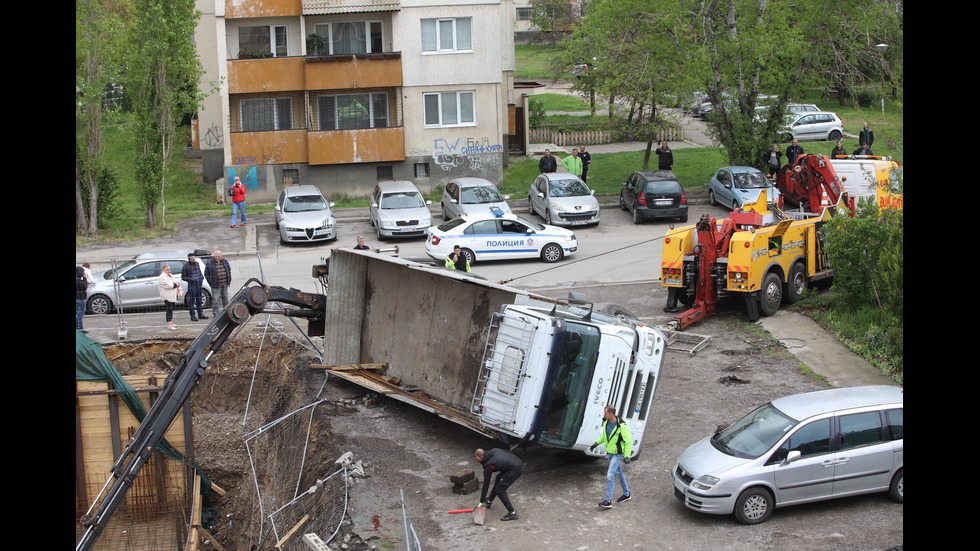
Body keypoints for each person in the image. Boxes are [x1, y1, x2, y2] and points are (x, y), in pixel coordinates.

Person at [591, 405, 632, 508]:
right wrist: (596, 443)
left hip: (617, 454)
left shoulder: (621, 426)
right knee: (619, 473)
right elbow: (605, 436)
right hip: (610, 453)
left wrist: (627, 456)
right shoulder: (606, 423)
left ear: (611, 414)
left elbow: (628, 441)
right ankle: (626, 494)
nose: (604, 415)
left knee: (610, 475)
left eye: (606, 413)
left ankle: (608, 500)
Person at [475, 448, 524, 522]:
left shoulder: (488, 465)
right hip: (516, 463)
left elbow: (486, 484)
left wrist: (481, 500)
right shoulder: (494, 450)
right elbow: (508, 452)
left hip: (515, 469)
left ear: (478, 458)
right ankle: (489, 501)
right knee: (498, 478)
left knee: (500, 490)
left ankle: (512, 513)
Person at [204, 250, 232, 317]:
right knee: (216, 299)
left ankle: (226, 312)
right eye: (220, 255)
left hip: (225, 283)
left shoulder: (225, 261)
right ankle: (216, 314)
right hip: (216, 285)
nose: (221, 256)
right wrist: (211, 282)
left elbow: (229, 270)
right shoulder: (210, 263)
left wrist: (228, 280)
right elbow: (206, 274)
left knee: (225, 298)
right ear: (216, 256)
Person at [181, 252, 207, 321]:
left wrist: (201, 277)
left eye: (194, 257)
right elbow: (183, 277)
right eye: (192, 258)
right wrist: (191, 279)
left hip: (199, 285)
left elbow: (199, 272)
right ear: (189, 259)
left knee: (199, 300)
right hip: (192, 286)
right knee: (192, 301)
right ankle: (192, 315)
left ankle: (200, 314)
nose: (193, 258)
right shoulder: (186, 266)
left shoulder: (197, 264)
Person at [158, 263, 183, 331]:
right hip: (167, 296)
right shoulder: (162, 277)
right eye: (167, 270)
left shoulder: (170, 275)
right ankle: (169, 324)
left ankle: (171, 322)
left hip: (172, 295)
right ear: (163, 270)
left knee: (171, 309)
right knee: (169, 310)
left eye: (169, 269)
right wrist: (176, 284)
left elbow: (174, 282)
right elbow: (169, 285)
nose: (169, 271)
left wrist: (177, 285)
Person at [76, 266, 89, 331]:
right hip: (81, 298)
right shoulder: (79, 280)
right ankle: (80, 328)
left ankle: (77, 327)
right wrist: (85, 279)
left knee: (78, 314)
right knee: (80, 314)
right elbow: (84, 287)